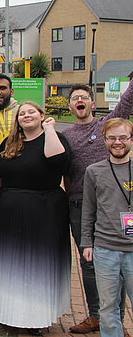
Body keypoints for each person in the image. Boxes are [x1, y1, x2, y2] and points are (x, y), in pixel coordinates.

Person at [0, 103, 71, 334]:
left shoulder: (56, 139)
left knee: (39, 265)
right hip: (11, 209)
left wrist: (50, 129)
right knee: (11, 264)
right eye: (22, 113)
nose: (26, 116)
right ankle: (10, 313)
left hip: (46, 210)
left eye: (31, 112)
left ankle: (36, 318)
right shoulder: (9, 142)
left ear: (42, 115)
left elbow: (59, 163)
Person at [64, 80, 133, 334]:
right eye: (74, 98)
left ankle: (115, 320)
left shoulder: (106, 127)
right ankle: (95, 316)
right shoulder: (66, 136)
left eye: (83, 97)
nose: (79, 101)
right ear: (70, 106)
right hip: (79, 205)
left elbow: (126, 102)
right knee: (89, 261)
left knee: (121, 263)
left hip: (113, 206)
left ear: (92, 103)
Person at [81, 118, 133, 337]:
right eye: (112, 138)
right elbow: (89, 209)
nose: (117, 142)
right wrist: (86, 242)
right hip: (105, 249)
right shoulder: (94, 171)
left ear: (131, 139)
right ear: (104, 140)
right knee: (108, 307)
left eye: (123, 137)